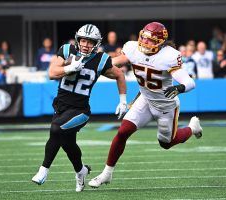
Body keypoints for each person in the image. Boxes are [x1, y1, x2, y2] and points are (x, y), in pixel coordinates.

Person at [88, 22, 203, 188]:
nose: (144, 42)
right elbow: (115, 62)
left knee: (166, 143)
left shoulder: (169, 56)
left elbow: (190, 82)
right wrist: (93, 64)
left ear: (160, 42)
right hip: (145, 99)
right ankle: (106, 173)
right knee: (122, 132)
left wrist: (179, 87)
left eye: (149, 40)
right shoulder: (133, 48)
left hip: (165, 106)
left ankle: (192, 128)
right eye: (143, 38)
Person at [31, 24, 127, 192]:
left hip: (80, 110)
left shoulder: (100, 59)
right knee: (68, 143)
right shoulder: (67, 50)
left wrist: (123, 100)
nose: (85, 44)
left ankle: (43, 170)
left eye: (90, 42)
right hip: (61, 106)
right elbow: (52, 72)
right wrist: (69, 68)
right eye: (83, 40)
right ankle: (81, 171)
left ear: (96, 43)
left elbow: (119, 74)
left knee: (56, 129)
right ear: (78, 39)